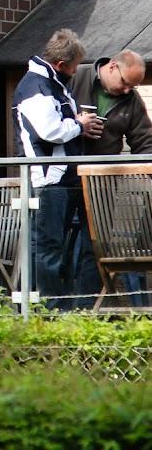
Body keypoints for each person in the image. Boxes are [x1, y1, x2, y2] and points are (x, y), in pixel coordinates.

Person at [13, 28, 103, 309]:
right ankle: (47, 312)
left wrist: (77, 126)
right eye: (75, 67)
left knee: (55, 246)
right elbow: (48, 130)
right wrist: (80, 125)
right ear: (62, 64)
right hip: (48, 179)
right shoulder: (35, 88)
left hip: (63, 176)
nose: (76, 73)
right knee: (48, 247)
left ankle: (56, 308)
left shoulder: (51, 84)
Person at [72, 49, 150, 305]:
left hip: (100, 183)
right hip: (62, 174)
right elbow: (46, 115)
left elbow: (144, 141)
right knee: (54, 242)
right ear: (113, 67)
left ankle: (84, 308)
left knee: (92, 244)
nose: (128, 90)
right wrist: (74, 125)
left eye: (134, 86)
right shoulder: (76, 77)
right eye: (126, 83)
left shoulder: (131, 100)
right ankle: (52, 306)